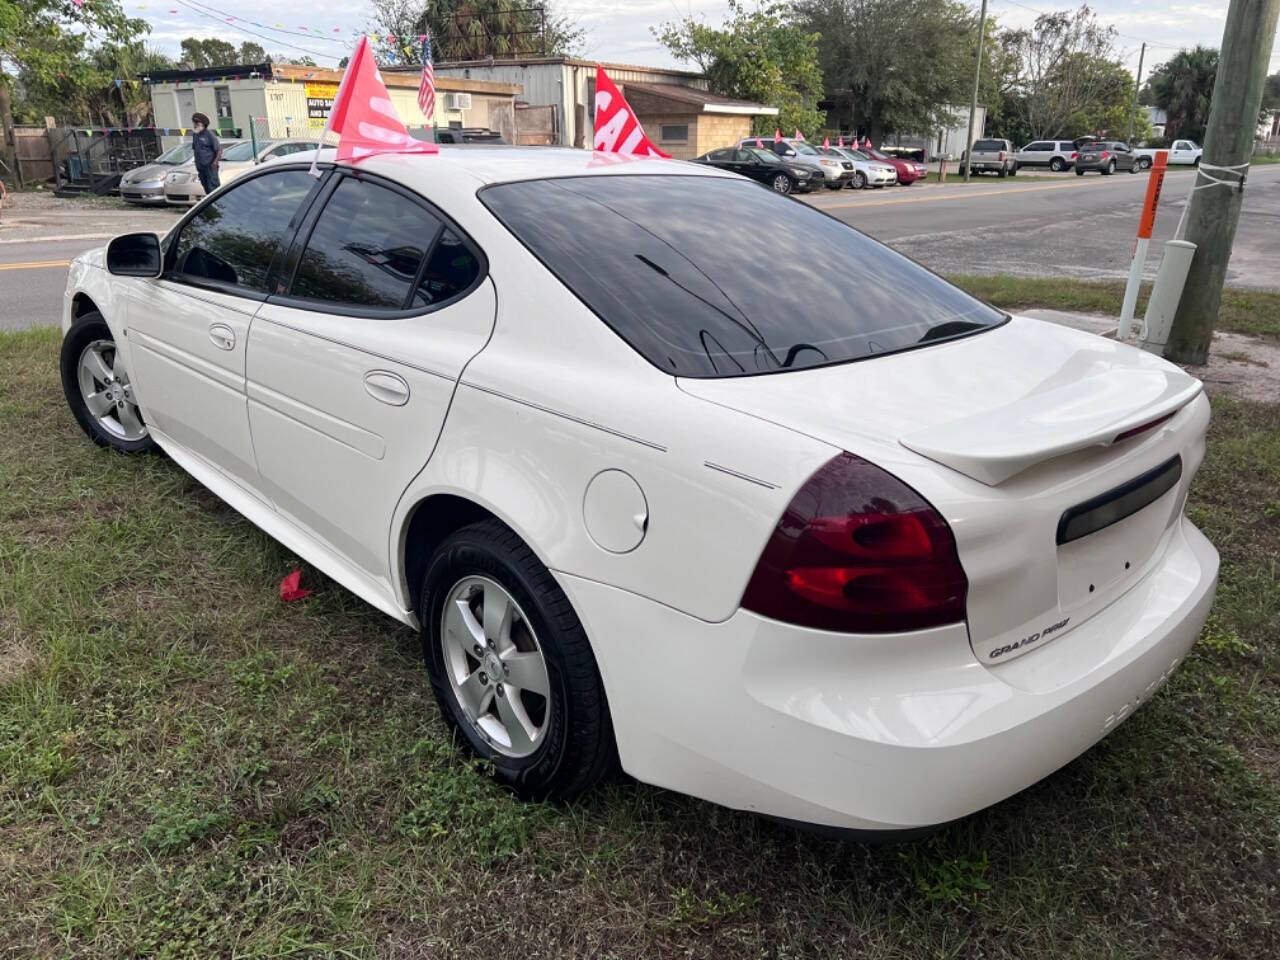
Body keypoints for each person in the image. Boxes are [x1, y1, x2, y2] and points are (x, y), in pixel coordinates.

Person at [190, 113, 222, 195]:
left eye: (197, 124)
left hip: (210, 166)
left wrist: (215, 162)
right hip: (201, 167)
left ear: (203, 125)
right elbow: (195, 149)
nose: (195, 125)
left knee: (213, 189)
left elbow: (219, 150)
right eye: (194, 123)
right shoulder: (195, 135)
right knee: (206, 188)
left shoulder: (209, 134)